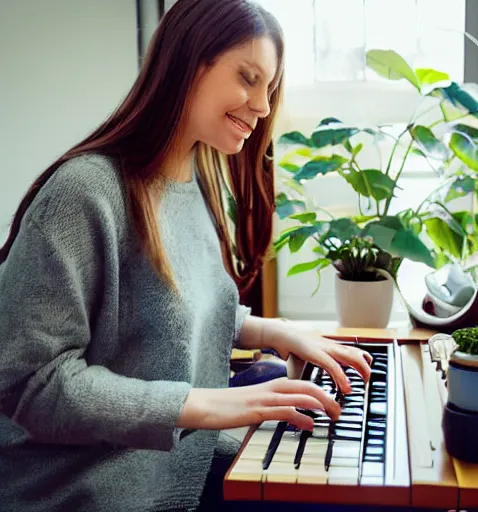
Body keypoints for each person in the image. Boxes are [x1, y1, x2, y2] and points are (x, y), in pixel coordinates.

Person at [0, 0, 372, 510]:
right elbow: (29, 384)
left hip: (180, 457)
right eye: (248, 77)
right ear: (188, 61)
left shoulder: (194, 180)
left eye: (270, 87)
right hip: (92, 486)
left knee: (339, 450)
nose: (262, 106)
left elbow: (174, 304)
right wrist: (207, 404)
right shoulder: (84, 193)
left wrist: (272, 331)